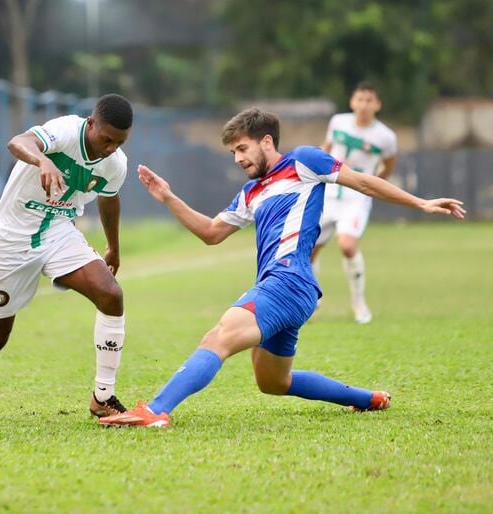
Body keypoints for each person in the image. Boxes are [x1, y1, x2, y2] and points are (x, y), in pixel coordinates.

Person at [99, 108, 464, 428]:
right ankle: (368, 398)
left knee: (218, 338)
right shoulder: (251, 192)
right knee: (273, 382)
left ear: (266, 141)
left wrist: (422, 203)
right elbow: (211, 233)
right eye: (233, 152)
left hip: (287, 281)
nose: (238, 158)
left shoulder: (305, 161)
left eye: (242, 148)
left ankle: (157, 410)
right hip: (290, 289)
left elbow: (364, 182)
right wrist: (168, 197)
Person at [0, 94, 133, 422]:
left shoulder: (116, 163)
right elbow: (18, 141)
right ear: (91, 124)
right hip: (10, 238)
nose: (110, 148)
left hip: (57, 232)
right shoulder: (64, 131)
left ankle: (103, 398)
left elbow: (109, 199)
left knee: (110, 294)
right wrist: (42, 160)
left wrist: (113, 247)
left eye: (118, 143)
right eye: (106, 139)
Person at [312, 82, 398, 323]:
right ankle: (311, 300)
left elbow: (389, 165)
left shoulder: (385, 136)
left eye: (369, 100)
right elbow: (325, 150)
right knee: (307, 251)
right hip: (329, 194)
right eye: (360, 99)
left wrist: (372, 186)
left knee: (347, 246)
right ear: (352, 102)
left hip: (355, 197)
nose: (364, 105)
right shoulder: (338, 122)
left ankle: (359, 303)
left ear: (377, 105)